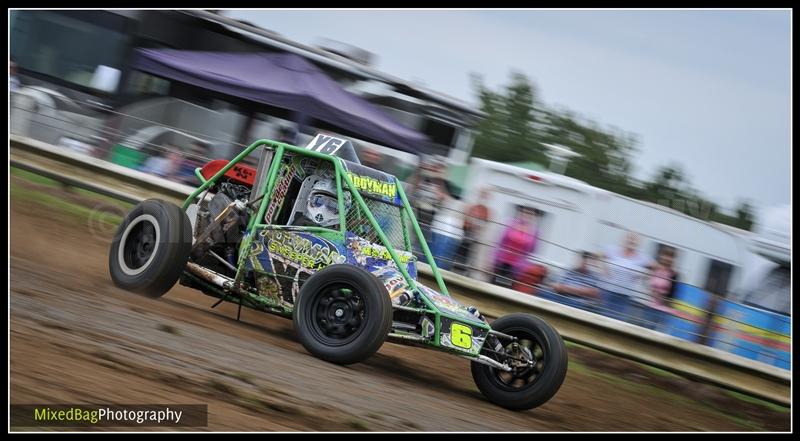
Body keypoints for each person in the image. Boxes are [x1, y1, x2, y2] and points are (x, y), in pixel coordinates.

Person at [598, 231, 655, 328]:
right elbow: (598, 255)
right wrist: (604, 269)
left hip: (625, 295)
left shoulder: (641, 258)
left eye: (634, 239)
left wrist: (642, 275)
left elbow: (654, 267)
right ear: (624, 239)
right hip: (608, 291)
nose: (631, 241)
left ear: (638, 243)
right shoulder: (613, 250)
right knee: (602, 318)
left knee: (618, 322)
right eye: (630, 238)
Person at [492, 206, 539, 288]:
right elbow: (500, 241)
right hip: (502, 260)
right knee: (494, 284)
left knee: (508, 288)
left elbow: (532, 250)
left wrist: (525, 263)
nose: (527, 215)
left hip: (517, 266)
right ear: (520, 213)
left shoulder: (535, 231)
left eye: (530, 214)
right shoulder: (510, 223)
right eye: (525, 212)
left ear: (533, 217)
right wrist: (493, 258)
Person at [453, 188, 492, 275]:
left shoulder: (486, 210)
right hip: (466, 232)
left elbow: (484, 224)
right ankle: (457, 268)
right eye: (482, 194)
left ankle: (464, 271)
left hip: (475, 236)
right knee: (460, 253)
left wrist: (476, 224)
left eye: (485, 195)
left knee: (470, 255)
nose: (483, 197)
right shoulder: (472, 206)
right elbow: (466, 219)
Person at [428, 181, 464, 271]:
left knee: (438, 263)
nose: (435, 194)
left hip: (444, 236)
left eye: (437, 191)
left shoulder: (454, 203)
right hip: (440, 235)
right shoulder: (443, 203)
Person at [649, 245, 680, 310]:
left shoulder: (674, 274)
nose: (667, 258)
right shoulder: (653, 268)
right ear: (661, 256)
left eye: (671, 256)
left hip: (663, 309)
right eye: (665, 255)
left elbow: (673, 296)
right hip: (647, 304)